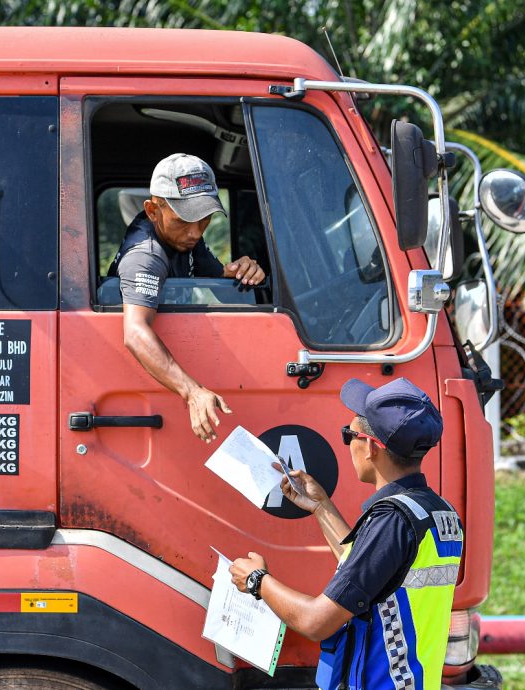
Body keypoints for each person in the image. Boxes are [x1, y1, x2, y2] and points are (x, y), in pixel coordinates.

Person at [229, 378, 463, 689]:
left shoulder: (393, 520)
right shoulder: (436, 512)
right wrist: (321, 506)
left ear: (369, 447)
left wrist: (258, 581)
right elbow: (375, 576)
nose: (349, 443)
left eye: (348, 435)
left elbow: (316, 622)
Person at [108, 153, 265, 442]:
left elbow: (219, 275)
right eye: (184, 220)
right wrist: (192, 392)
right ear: (153, 211)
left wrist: (245, 269)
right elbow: (135, 332)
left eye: (204, 218)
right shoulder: (145, 256)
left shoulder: (183, 237)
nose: (195, 232)